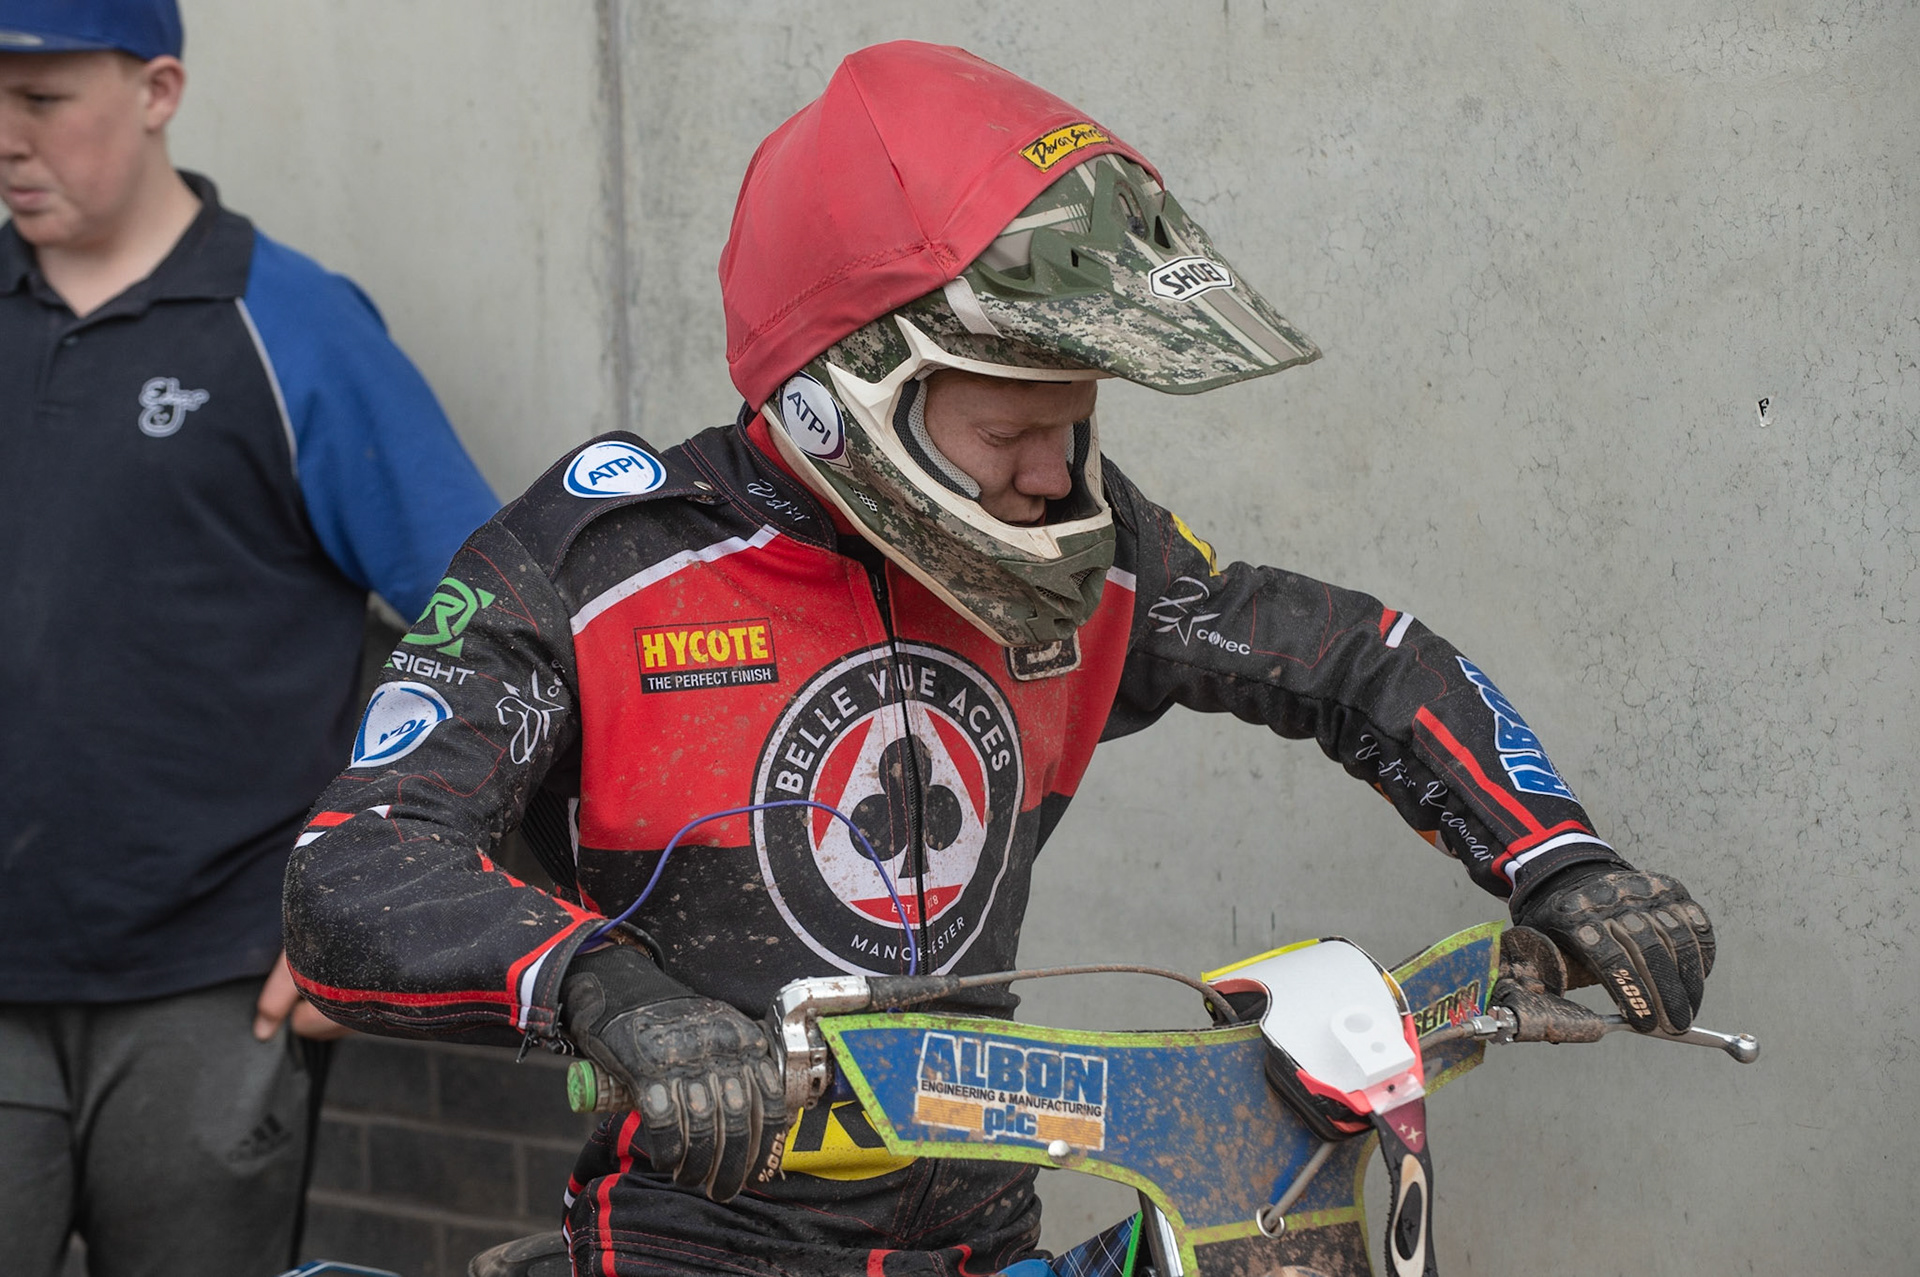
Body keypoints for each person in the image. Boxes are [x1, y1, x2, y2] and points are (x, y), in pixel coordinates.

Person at [283, 41, 1716, 1277]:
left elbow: (1357, 658)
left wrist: (1566, 863)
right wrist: (613, 993)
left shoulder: (1098, 553)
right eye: (1011, 425)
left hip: (989, 1223)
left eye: (1076, 412)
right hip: (697, 1233)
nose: (1055, 469)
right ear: (854, 393)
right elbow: (354, 868)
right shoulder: (601, 566)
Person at [0, 1, 499, 1272]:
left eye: (43, 98)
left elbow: (492, 632)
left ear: (158, 89)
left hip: (214, 984)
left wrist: (363, 898)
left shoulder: (297, 329)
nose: (7, 136)